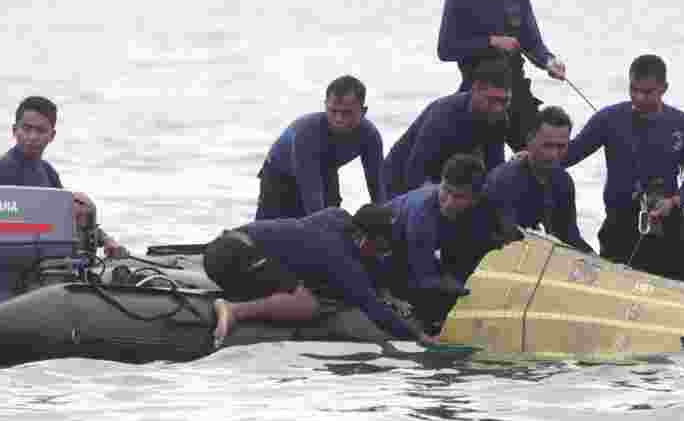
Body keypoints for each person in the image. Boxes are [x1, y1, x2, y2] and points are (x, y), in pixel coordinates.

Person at [204, 204, 432, 346]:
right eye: (381, 249)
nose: (381, 255)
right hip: (235, 260)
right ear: (364, 239)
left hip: (221, 246)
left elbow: (363, 263)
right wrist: (418, 337)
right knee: (307, 304)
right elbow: (373, 308)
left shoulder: (336, 216)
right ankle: (234, 311)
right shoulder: (341, 259)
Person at [563, 54, 684, 280]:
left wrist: (674, 201)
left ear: (664, 88)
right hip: (620, 225)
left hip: (667, 221)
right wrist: (534, 153)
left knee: (682, 283)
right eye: (633, 89)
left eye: (647, 92)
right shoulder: (608, 119)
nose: (638, 97)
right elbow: (569, 155)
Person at [437, 0, 568, 151]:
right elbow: (445, 49)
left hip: (516, 93)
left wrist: (549, 62)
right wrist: (491, 42)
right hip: (478, 95)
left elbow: (533, 44)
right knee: (476, 168)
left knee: (541, 155)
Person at [0, 96, 127, 258]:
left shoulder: (47, 171)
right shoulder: (1, 170)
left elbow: (65, 213)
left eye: (40, 131)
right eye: (26, 129)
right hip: (16, 260)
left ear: (52, 135)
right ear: (14, 130)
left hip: (50, 257)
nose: (32, 137)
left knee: (82, 204)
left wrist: (107, 240)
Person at [380, 154, 507, 334]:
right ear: (441, 182)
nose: (448, 202)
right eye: (446, 191)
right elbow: (424, 278)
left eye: (459, 197)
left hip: (421, 254)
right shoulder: (422, 215)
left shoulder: (483, 207)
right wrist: (465, 291)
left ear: (475, 199)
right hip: (386, 259)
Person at [256, 75, 385, 220]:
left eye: (347, 113)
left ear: (363, 111)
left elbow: (378, 188)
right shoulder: (307, 133)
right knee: (281, 229)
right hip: (279, 176)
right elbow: (313, 203)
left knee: (333, 220)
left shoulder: (370, 136)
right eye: (333, 111)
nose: (339, 119)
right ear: (325, 106)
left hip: (326, 170)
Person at [383, 56, 510, 198]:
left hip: (445, 180)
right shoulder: (444, 115)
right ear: (475, 89)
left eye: (504, 101)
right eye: (492, 100)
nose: (498, 108)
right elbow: (415, 174)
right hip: (398, 183)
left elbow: (494, 168)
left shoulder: (499, 119)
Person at [484, 106, 593, 253]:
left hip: (536, 251)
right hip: (496, 254)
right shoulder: (505, 180)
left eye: (561, 146)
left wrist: (599, 262)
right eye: (547, 146)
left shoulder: (563, 181)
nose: (554, 154)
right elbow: (509, 239)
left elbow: (570, 237)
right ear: (529, 140)